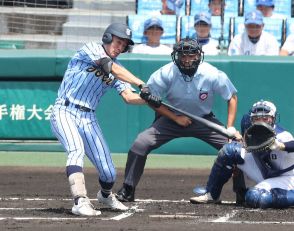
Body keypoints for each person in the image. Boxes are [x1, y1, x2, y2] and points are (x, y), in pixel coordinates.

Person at [50, 22, 159, 216]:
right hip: (64, 110)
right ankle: (80, 201)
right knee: (76, 150)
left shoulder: (120, 68)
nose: (120, 47)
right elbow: (109, 67)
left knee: (109, 172)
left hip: (88, 117)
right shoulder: (91, 49)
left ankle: (105, 195)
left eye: (124, 45)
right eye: (118, 42)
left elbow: (128, 97)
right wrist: (141, 83)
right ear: (108, 38)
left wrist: (148, 99)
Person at [115, 38, 239, 202]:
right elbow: (152, 100)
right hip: (171, 118)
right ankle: (128, 189)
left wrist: (230, 127)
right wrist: (176, 118)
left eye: (191, 56)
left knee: (237, 150)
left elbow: (231, 97)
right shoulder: (165, 73)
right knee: (140, 143)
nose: (187, 60)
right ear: (176, 57)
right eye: (183, 56)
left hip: (203, 120)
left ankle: (242, 193)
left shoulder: (212, 73)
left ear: (198, 56)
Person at [190, 100, 294, 209]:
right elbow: (247, 147)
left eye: (265, 118)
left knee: (255, 197)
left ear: (273, 118)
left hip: (286, 178)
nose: (260, 121)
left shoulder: (283, 136)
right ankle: (211, 195)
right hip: (264, 171)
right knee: (230, 151)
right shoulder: (251, 130)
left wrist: (281, 146)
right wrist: (238, 139)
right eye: (256, 118)